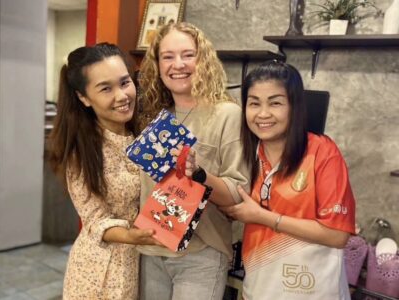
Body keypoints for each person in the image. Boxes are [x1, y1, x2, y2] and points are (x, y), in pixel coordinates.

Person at [221, 61, 356, 299]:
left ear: (294, 107)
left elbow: (337, 235)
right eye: (254, 103)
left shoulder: (322, 152)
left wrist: (264, 217)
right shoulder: (247, 154)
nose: (263, 114)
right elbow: (229, 200)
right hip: (258, 288)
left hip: (314, 291)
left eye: (275, 103)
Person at [137, 22, 251, 300]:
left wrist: (199, 174)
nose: (178, 64)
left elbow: (239, 194)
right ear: (157, 64)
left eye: (188, 54)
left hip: (201, 255)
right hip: (150, 250)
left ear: (204, 60)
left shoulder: (227, 114)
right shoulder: (155, 116)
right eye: (168, 56)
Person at [48, 43, 160, 300]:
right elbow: (95, 218)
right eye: (106, 88)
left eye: (124, 82)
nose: (121, 95)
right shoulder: (81, 149)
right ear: (83, 97)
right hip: (98, 272)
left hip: (143, 266)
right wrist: (132, 235)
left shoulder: (147, 134)